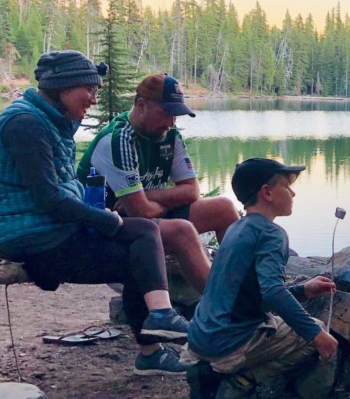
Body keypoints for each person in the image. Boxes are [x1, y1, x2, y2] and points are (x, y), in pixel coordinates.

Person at [0, 50, 194, 376]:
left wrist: (99, 214)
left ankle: (160, 322)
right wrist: (105, 219)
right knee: (138, 252)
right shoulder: (25, 124)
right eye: (89, 89)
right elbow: (49, 199)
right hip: (31, 237)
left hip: (52, 230)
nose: (94, 98)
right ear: (63, 87)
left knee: (144, 232)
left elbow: (62, 192)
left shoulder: (49, 121)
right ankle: (153, 345)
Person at [185, 158, 339, 399]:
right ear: (267, 193)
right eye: (287, 186)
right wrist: (316, 334)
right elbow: (272, 292)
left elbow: (249, 292)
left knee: (285, 321)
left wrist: (302, 290)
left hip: (200, 337)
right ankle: (240, 383)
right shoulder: (271, 234)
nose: (293, 192)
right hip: (228, 342)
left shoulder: (235, 228)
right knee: (315, 334)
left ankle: (208, 374)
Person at [77, 73, 239, 293]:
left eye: (176, 115)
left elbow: (192, 191)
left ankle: (244, 288)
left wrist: (149, 196)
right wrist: (152, 201)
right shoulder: (119, 139)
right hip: (104, 229)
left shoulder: (169, 137)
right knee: (182, 231)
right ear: (142, 105)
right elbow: (140, 212)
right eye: (167, 113)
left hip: (144, 217)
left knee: (224, 209)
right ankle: (225, 309)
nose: (171, 122)